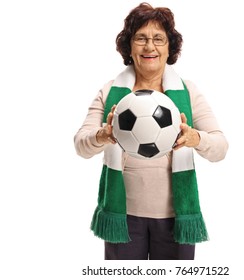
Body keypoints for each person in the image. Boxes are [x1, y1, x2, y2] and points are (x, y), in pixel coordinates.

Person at [74, 2, 228, 260]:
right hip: (122, 218)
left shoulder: (188, 93)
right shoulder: (110, 91)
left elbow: (220, 147)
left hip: (175, 219)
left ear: (170, 47)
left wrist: (195, 138)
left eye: (158, 39)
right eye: (140, 38)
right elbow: (80, 145)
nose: (149, 47)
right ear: (129, 47)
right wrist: (102, 135)